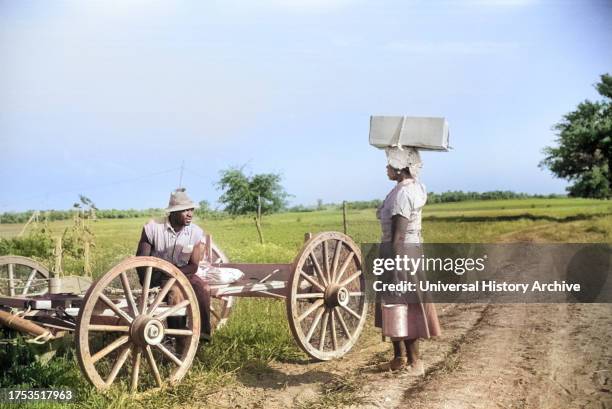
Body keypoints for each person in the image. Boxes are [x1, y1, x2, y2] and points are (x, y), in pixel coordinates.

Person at [375, 147, 441, 373]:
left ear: (400, 167)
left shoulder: (404, 193)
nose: (386, 168)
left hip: (400, 253)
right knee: (393, 303)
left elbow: (399, 236)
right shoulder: (403, 189)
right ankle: (398, 358)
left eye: (389, 164)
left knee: (405, 303)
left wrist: (393, 265)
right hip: (396, 251)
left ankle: (415, 362)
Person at [136, 188, 212, 342]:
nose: (190, 214)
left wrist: (175, 272)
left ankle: (203, 333)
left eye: (191, 209)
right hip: (157, 274)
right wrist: (148, 285)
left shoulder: (195, 233)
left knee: (204, 288)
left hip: (184, 272)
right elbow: (141, 260)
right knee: (176, 292)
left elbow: (193, 266)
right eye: (185, 210)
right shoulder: (153, 228)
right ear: (173, 212)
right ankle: (176, 337)